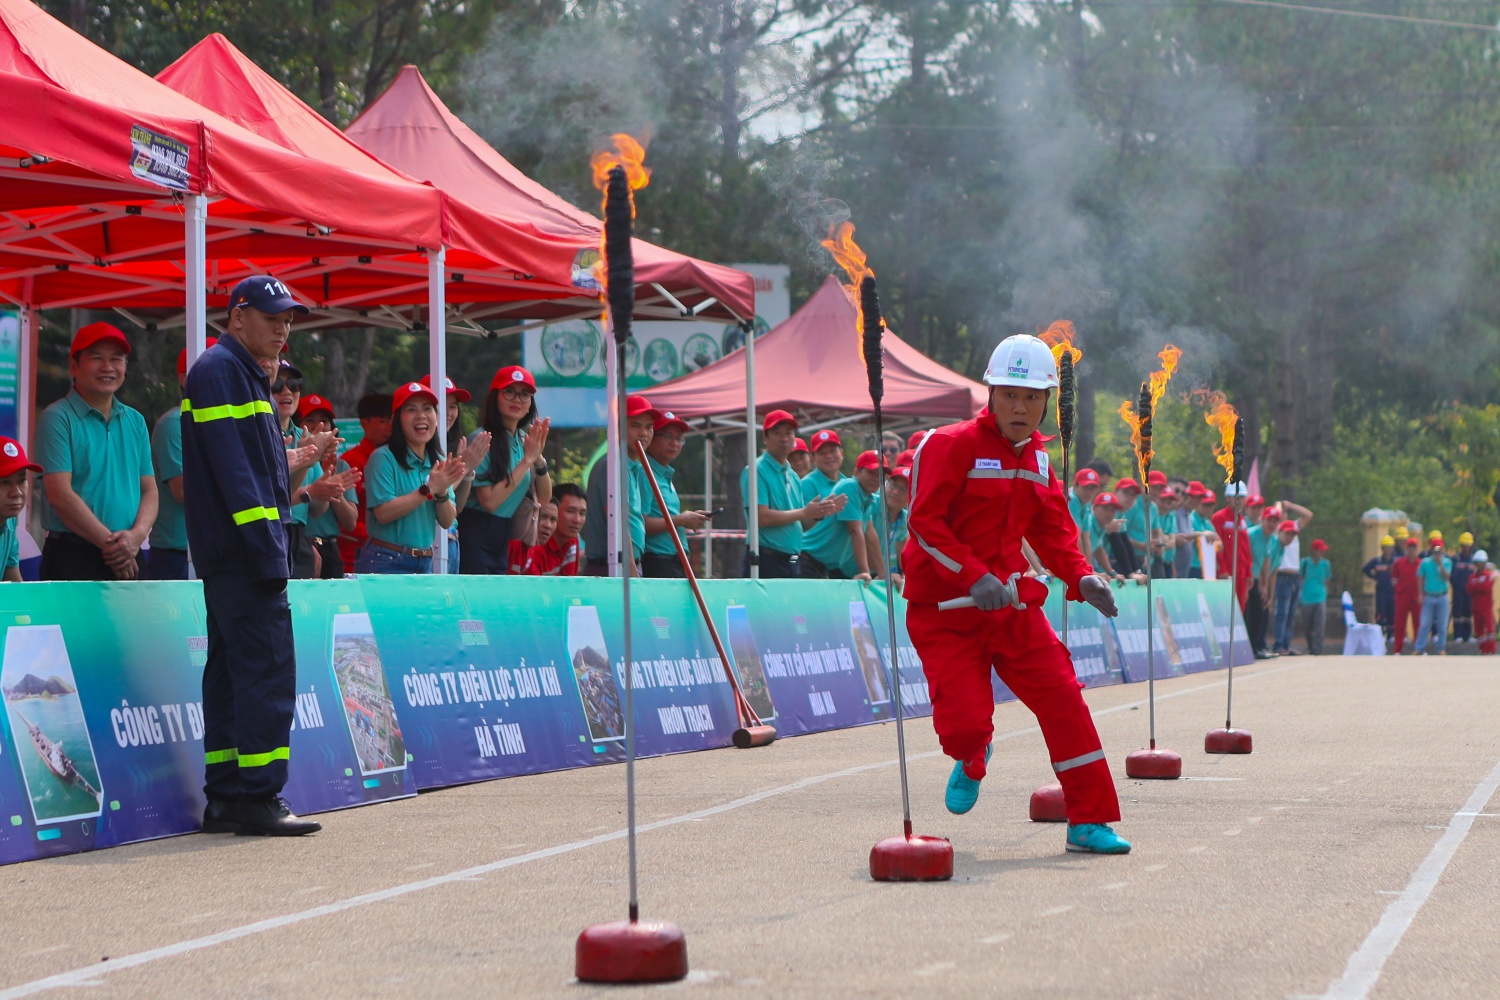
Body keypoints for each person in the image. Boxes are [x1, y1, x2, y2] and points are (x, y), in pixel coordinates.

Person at [903, 332, 1129, 855]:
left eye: (1031, 397)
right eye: (1010, 394)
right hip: (946, 614)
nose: (1020, 407)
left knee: (1066, 703)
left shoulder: (1041, 463)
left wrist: (1080, 577)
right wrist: (972, 575)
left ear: (1048, 401)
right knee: (963, 726)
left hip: (1014, 609)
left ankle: (1088, 821)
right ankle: (973, 753)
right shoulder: (948, 444)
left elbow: (1054, 534)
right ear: (990, 394)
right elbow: (925, 523)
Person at [182, 274, 321, 836]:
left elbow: (252, 474)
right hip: (247, 556)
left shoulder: (237, 372)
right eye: (272, 317)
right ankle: (259, 797)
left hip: (236, 555)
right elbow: (240, 478)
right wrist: (270, 552)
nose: (283, 328)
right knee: (264, 674)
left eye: (288, 319)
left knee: (232, 676)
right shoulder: (223, 371)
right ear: (237, 316)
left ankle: (228, 798)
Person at [34, 322, 157, 580]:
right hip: (73, 555)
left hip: (129, 552)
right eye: (97, 358)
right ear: (74, 366)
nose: (108, 367)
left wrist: (137, 536)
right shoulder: (57, 418)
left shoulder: (135, 420)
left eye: (117, 359)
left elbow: (149, 489)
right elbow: (60, 495)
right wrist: (113, 546)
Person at [359, 382, 468, 574]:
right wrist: (428, 489)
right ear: (397, 419)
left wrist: (442, 491)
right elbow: (383, 514)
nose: (421, 415)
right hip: (386, 559)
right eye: (411, 409)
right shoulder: (383, 457)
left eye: (428, 409)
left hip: (425, 560)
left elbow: (447, 520)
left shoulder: (439, 460)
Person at [460, 366, 549, 574]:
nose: (517, 399)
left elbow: (544, 498)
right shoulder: (482, 439)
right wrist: (526, 461)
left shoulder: (523, 440)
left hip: (504, 534)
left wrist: (538, 460)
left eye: (525, 395)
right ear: (495, 397)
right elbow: (489, 502)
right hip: (475, 532)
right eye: (509, 392)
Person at [740, 410, 839, 578]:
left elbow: (799, 520)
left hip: (792, 559)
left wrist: (818, 513)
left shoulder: (792, 474)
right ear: (765, 438)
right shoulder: (756, 470)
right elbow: (761, 518)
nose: (784, 438)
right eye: (777, 433)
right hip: (766, 557)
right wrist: (804, 512)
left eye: (788, 432)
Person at [147, 341, 216, 580]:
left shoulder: (222, 424)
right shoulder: (174, 424)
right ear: (185, 379)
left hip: (213, 551)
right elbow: (184, 491)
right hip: (175, 554)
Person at [420, 374, 489, 575]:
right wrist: (465, 468)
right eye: (441, 405)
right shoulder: (418, 451)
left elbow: (455, 508)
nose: (448, 413)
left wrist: (467, 472)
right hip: (429, 546)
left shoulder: (446, 448)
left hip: (450, 541)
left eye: (453, 406)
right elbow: (432, 493)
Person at [274, 359, 336, 579]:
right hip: (267, 533)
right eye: (276, 385)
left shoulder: (304, 436)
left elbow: (319, 509)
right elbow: (267, 498)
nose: (286, 391)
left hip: (299, 535)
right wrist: (309, 492)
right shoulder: (255, 432)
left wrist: (328, 489)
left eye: (293, 384)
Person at [583, 394, 656, 576]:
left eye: (649, 427)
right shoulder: (613, 466)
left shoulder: (631, 466)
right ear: (618, 427)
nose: (643, 433)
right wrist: (630, 569)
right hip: (612, 568)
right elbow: (618, 521)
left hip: (627, 565)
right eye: (635, 425)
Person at [296, 395, 362, 578]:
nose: (319, 426)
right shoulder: (293, 461)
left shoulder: (341, 466)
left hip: (330, 549)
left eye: (324, 421)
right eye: (310, 420)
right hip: (299, 547)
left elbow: (350, 522)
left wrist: (333, 486)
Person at [642, 411, 711, 578]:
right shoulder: (644, 472)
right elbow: (639, 524)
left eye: (679, 438)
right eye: (667, 436)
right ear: (651, 437)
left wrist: (686, 519)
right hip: (657, 561)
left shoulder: (664, 474)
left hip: (673, 560)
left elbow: (664, 518)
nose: (674, 443)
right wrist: (680, 519)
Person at [798, 430, 873, 581]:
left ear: (842, 453)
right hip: (809, 561)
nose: (829, 456)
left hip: (832, 567)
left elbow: (868, 529)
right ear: (813, 458)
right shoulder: (807, 484)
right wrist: (820, 514)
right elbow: (803, 525)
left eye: (833, 451)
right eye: (822, 452)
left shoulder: (849, 484)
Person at [337, 392, 393, 573]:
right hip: (354, 559)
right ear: (364, 423)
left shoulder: (400, 461)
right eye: (383, 420)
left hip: (393, 555)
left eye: (394, 419)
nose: (390, 427)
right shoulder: (351, 462)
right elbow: (342, 519)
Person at [511, 483, 585, 576]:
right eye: (570, 511)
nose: (577, 520)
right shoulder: (531, 546)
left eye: (582, 513)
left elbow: (569, 585)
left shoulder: (573, 541)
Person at [1, 437, 41, 582]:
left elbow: (15, 588)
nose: (16, 492)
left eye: (21, 480)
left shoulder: (9, 523)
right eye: (4, 482)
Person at [1414, 539, 1453, 655]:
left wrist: (1440, 564)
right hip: (1429, 596)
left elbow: (1447, 577)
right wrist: (1420, 594)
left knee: (1442, 625)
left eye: (1439, 549)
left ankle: (1441, 648)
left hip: (1442, 596)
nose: (1437, 552)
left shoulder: (1447, 562)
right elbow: (1420, 578)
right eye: (1435, 549)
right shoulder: (1425, 562)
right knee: (1425, 624)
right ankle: (1419, 648)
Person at [1298, 539, 1332, 655]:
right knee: (1308, 626)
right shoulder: (1304, 563)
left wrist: (1324, 592)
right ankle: (1310, 646)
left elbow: (1327, 579)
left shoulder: (1326, 564)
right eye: (1319, 550)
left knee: (1319, 625)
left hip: (1320, 598)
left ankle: (1317, 649)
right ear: (1313, 551)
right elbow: (1300, 578)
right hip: (1306, 599)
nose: (1322, 553)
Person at [1390, 537, 1423, 653]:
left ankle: (1418, 649)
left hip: (1416, 598)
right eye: (1410, 547)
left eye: (1414, 547)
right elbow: (1394, 580)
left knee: (1418, 624)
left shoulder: (1421, 564)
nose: (1412, 550)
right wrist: (1400, 590)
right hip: (1402, 597)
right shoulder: (1398, 563)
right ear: (1406, 548)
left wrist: (1421, 595)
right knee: (1399, 624)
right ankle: (1398, 650)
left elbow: (1424, 580)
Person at [881, 465, 910, 590]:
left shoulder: (906, 520)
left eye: (903, 490)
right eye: (893, 485)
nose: (896, 492)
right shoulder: (870, 507)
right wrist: (883, 573)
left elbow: (903, 558)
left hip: (885, 576)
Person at [1363, 535, 1397, 638]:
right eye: (1386, 547)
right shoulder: (1377, 561)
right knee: (1380, 615)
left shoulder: (1395, 562)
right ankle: (1379, 636)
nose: (1388, 550)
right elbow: (1365, 569)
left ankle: (1391, 636)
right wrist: (1375, 577)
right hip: (1381, 592)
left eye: (1390, 547)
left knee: (1392, 614)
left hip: (1392, 592)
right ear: (1382, 548)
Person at [1068, 469, 1102, 563]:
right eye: (1085, 487)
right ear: (1075, 485)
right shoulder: (1072, 500)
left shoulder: (1086, 504)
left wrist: (1090, 569)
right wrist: (1083, 567)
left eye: (1092, 488)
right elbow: (1076, 537)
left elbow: (1086, 538)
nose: (1089, 492)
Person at [1465, 550, 1495, 654]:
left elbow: (1486, 587)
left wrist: (1476, 586)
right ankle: (1483, 649)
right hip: (1476, 607)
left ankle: (1491, 649)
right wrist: (1479, 585)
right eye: (1478, 562)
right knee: (1479, 629)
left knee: (1489, 628)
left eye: (1482, 562)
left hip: (1486, 607)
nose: (1480, 565)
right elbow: (1469, 589)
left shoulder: (1489, 576)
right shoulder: (1472, 577)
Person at [1450, 531, 1477, 643]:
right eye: (1464, 545)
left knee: (1468, 613)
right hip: (1458, 590)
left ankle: (1467, 635)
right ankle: (1458, 635)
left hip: (1470, 591)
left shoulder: (1473, 560)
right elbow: (1452, 576)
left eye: (1468, 546)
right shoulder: (1456, 559)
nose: (1466, 548)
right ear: (1461, 546)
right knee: (1457, 613)